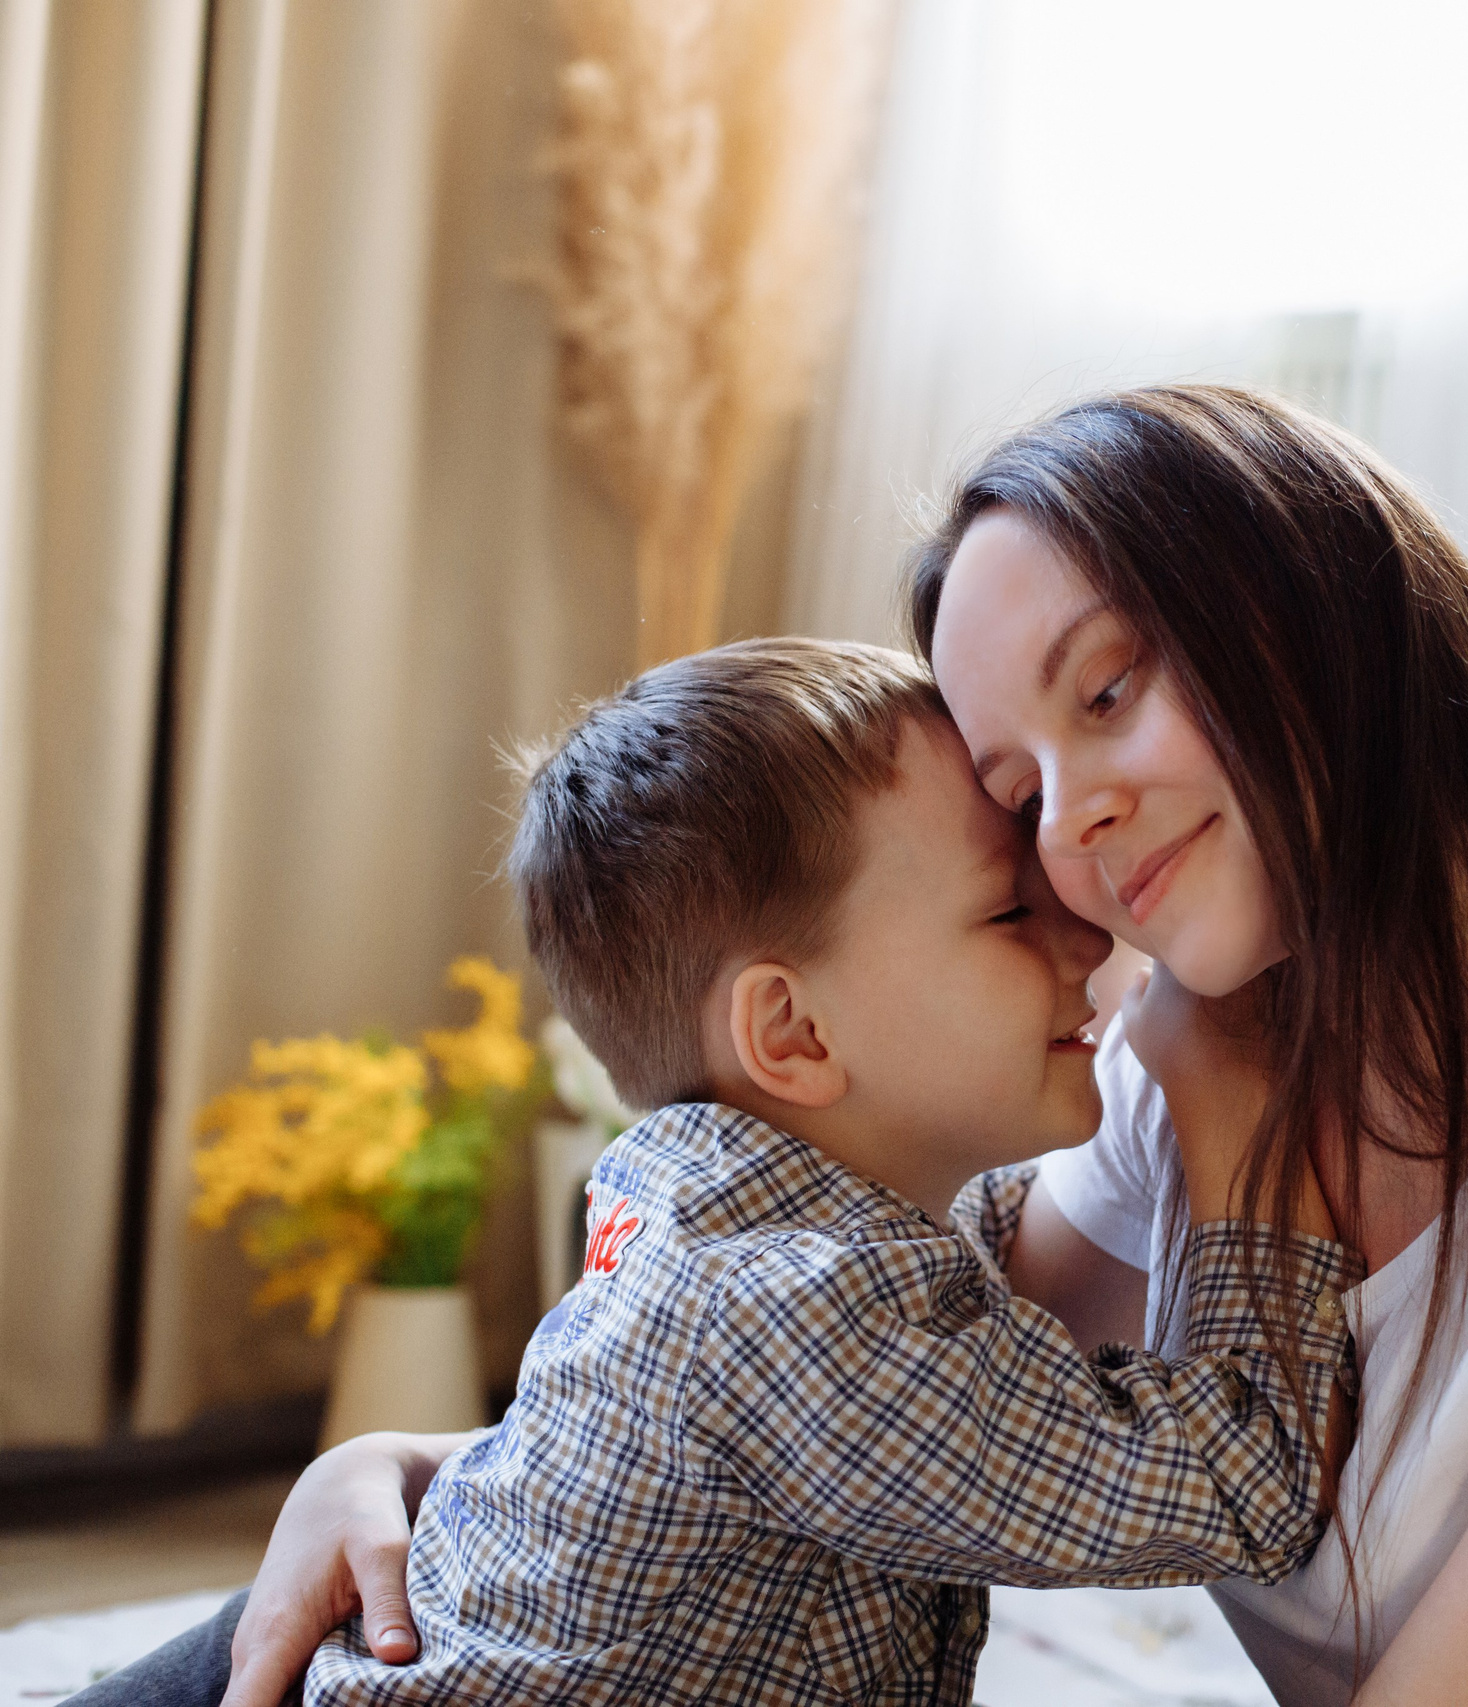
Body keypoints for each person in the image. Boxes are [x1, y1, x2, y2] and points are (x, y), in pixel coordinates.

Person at [219, 386, 1468, 1707]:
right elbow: (829, 1399)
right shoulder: (1196, 1067)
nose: (1077, 827)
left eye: (1112, 688)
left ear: (1325, 612)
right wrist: (390, 1471)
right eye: (1019, 793)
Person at [82, 638, 1356, 1707]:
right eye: (1009, 911)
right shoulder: (798, 1315)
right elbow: (1243, 1494)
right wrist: (1242, 1119)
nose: (1085, 926)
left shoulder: (736, 1187)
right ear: (793, 1036)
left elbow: (975, 1253)